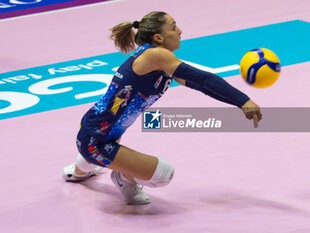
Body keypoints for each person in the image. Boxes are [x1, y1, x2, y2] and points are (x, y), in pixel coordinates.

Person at [62, 11, 262, 205]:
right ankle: (123, 177)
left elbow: (202, 86)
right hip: (95, 140)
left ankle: (77, 171)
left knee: (90, 159)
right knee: (164, 175)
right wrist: (243, 100)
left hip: (102, 132)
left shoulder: (160, 63)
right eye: (174, 27)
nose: (180, 31)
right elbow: (206, 78)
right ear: (158, 37)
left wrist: (238, 104)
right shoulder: (156, 56)